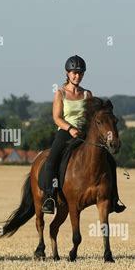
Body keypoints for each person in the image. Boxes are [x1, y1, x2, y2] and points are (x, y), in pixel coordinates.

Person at [41, 55, 126, 214]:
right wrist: (70, 128)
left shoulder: (87, 94)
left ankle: (113, 198)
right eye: (74, 73)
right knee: (52, 161)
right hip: (66, 133)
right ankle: (49, 197)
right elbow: (56, 118)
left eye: (80, 73)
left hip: (86, 135)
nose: (77, 76)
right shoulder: (60, 94)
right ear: (67, 73)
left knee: (109, 161)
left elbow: (93, 117)